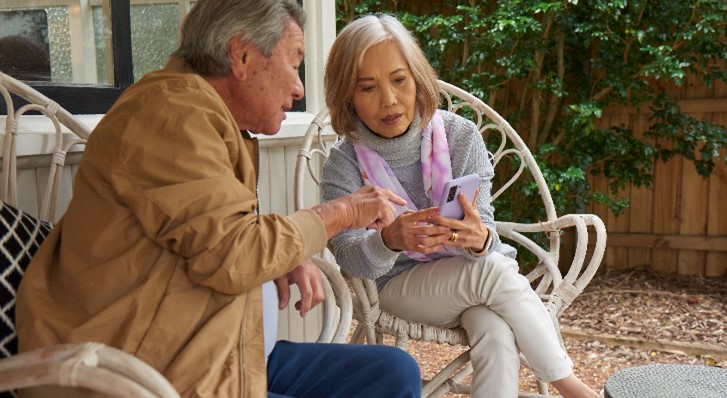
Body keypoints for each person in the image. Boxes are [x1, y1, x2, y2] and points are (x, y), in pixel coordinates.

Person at [16, 2, 422, 398]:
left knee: (392, 370)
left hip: (217, 348)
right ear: (242, 55)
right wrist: (343, 211)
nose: (299, 88)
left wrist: (281, 253)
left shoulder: (206, 118)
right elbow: (236, 256)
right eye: (294, 62)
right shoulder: (171, 115)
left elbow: (215, 234)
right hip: (147, 372)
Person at [320, 14, 601, 398]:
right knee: (491, 272)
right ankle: (570, 385)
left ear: (417, 78)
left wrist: (478, 237)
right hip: (399, 286)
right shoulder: (345, 161)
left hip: (469, 273)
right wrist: (388, 240)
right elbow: (349, 257)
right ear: (347, 96)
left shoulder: (460, 136)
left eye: (399, 80)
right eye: (367, 88)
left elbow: (484, 230)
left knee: (495, 330)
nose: (389, 100)